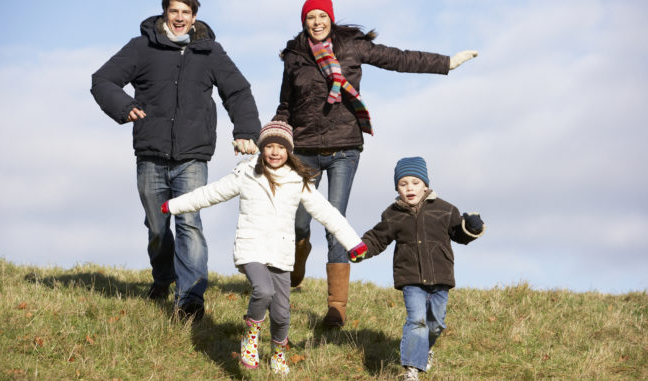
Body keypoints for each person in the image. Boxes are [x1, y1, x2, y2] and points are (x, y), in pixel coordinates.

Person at [272, 0, 479, 327]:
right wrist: (272, 136)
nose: (316, 22)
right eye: (310, 17)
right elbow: (285, 105)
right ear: (304, 21)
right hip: (305, 149)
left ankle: (336, 308)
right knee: (298, 220)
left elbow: (398, 58)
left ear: (330, 18)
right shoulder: (295, 57)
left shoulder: (352, 47)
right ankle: (298, 257)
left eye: (321, 16)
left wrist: (446, 64)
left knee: (335, 221)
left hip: (345, 148)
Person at [90, 0, 261, 320]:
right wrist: (124, 106)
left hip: (192, 157)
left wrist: (246, 131)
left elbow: (237, 91)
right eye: (174, 11)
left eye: (186, 12)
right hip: (150, 154)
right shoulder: (141, 47)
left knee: (189, 224)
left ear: (194, 16)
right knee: (157, 227)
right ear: (165, 13)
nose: (180, 18)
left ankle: (190, 299)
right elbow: (102, 80)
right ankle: (163, 277)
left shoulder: (210, 51)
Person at [161, 121, 366, 374]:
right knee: (264, 290)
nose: (275, 152)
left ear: (289, 151)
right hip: (251, 249)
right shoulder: (247, 174)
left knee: (281, 315)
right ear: (262, 148)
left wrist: (353, 243)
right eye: (270, 146)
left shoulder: (297, 181)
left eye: (281, 147)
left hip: (281, 253)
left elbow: (328, 213)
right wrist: (174, 205)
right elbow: (210, 193)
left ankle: (279, 352)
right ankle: (251, 336)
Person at [349, 156, 486, 380]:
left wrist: (471, 226)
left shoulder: (445, 209)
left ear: (425, 185)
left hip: (440, 276)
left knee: (436, 324)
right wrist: (360, 250)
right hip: (410, 278)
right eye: (403, 184)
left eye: (415, 182)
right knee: (417, 320)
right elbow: (377, 238)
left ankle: (426, 350)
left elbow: (460, 234)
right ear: (397, 188)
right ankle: (412, 370)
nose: (409, 188)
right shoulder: (393, 214)